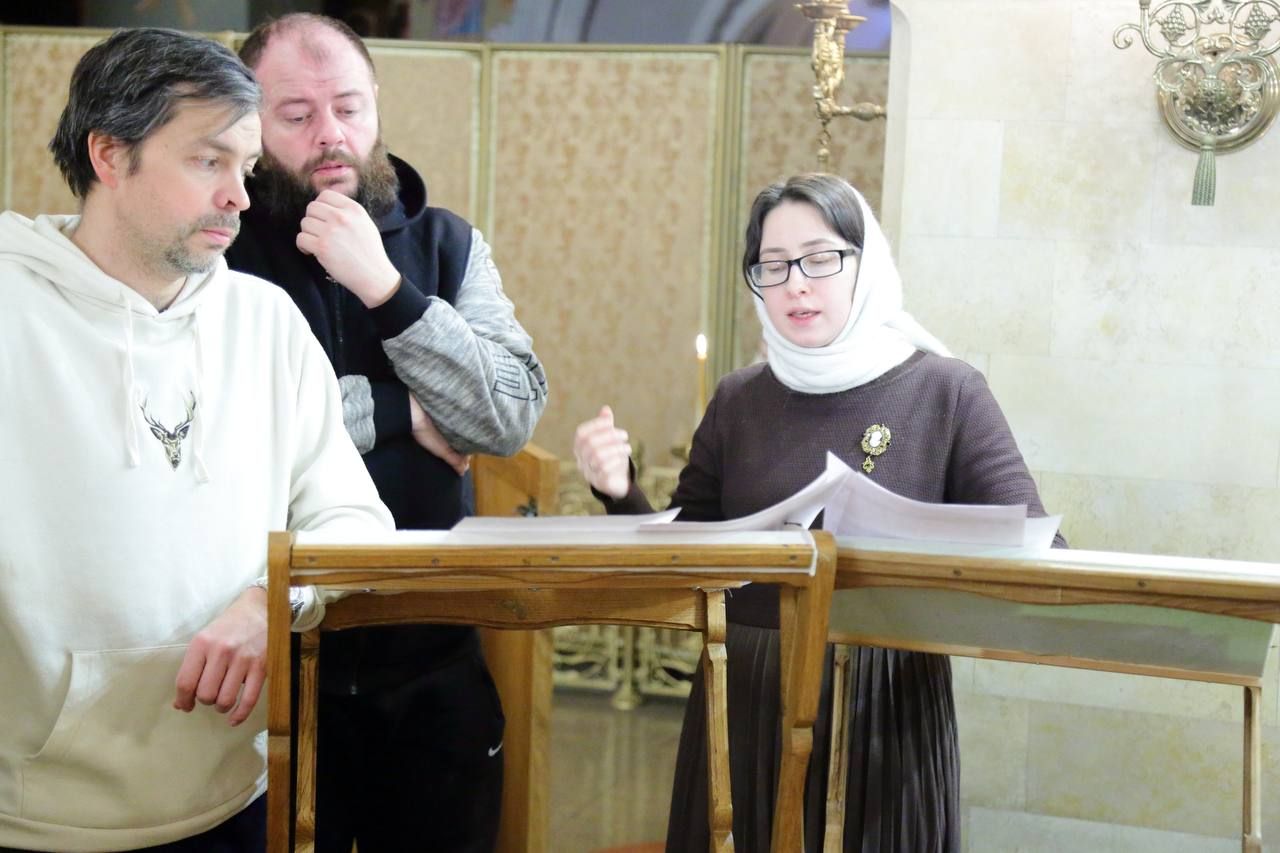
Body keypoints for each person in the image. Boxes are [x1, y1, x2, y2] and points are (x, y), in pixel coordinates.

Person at [574, 173, 1063, 852]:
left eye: (820, 258)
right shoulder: (739, 399)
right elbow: (683, 560)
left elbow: (1041, 554)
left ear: (867, 263)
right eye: (772, 265)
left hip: (885, 708)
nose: (795, 285)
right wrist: (619, 488)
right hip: (744, 699)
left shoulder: (945, 391)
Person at [0, 27, 392, 853]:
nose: (240, 197)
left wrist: (272, 601)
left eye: (245, 167)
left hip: (230, 799)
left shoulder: (266, 322)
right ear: (110, 154)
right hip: (31, 813)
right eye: (208, 161)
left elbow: (355, 521)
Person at [226, 14, 547, 853]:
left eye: (348, 107)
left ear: (376, 103)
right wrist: (407, 410)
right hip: (272, 660)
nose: (331, 134)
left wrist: (389, 292)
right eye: (296, 114)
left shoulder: (448, 244)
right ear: (249, 123)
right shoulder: (223, 247)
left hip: (434, 658)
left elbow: (510, 412)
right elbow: (234, 422)